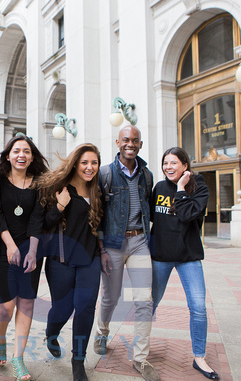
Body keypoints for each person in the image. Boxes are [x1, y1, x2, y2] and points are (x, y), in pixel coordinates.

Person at [94, 125, 160, 381]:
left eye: (135, 140)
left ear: (140, 145)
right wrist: (101, 249)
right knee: (110, 297)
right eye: (125, 140)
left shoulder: (147, 176)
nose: (130, 144)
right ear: (117, 142)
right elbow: (97, 214)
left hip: (139, 242)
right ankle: (101, 332)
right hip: (112, 245)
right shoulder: (105, 174)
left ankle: (141, 358)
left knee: (144, 300)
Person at [150, 147, 218, 380]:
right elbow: (150, 216)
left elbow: (188, 215)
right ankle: (140, 349)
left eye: (174, 163)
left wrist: (180, 190)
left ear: (185, 165)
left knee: (198, 307)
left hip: (189, 256)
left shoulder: (198, 186)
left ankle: (199, 356)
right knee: (151, 304)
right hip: (160, 255)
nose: (168, 167)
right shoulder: (158, 187)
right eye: (165, 163)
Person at [38, 143, 103, 381]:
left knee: (85, 308)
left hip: (89, 260)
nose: (89, 167)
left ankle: (78, 361)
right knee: (63, 308)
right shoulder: (59, 188)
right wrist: (61, 205)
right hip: (60, 260)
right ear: (75, 163)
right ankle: (52, 332)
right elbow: (44, 223)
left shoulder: (98, 191)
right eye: (85, 162)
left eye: (94, 163)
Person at [0, 135, 48, 380]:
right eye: (16, 151)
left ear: (32, 156)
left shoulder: (40, 183)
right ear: (8, 155)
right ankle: (0, 339)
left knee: (26, 302)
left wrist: (32, 251)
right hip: (3, 246)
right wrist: (10, 245)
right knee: (6, 305)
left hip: (31, 246)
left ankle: (18, 358)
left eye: (26, 151)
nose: (21, 155)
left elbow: (37, 218)